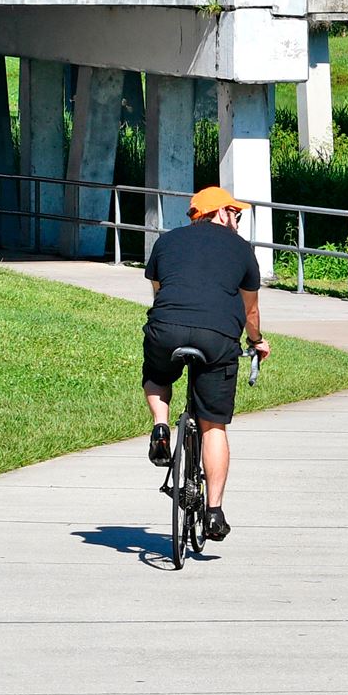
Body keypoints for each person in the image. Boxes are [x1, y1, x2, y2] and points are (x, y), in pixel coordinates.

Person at [141, 186, 271, 540]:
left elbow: (159, 290)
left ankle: (161, 427)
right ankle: (214, 512)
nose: (237, 221)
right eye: (235, 214)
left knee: (157, 374)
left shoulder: (166, 242)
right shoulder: (241, 249)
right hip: (217, 337)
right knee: (213, 426)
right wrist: (256, 341)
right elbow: (250, 310)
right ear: (220, 213)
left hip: (166, 329)